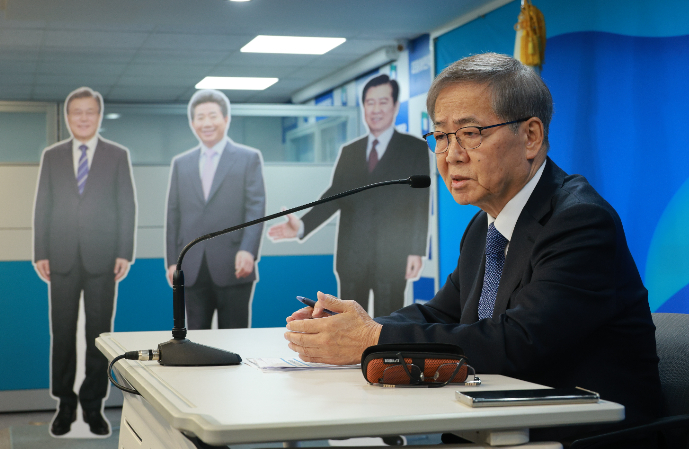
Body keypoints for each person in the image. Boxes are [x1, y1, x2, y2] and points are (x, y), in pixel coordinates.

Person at [284, 53, 662, 444]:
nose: (451, 156)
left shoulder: (579, 220)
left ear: (531, 136)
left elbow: (516, 343)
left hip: (575, 437)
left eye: (470, 133)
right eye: (442, 136)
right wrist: (348, 326)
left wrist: (371, 338)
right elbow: (439, 312)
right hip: (494, 427)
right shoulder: (485, 225)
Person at [268, 74, 430, 317]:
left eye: (383, 102)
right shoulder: (350, 152)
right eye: (370, 103)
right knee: (348, 323)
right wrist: (303, 225)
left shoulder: (414, 148)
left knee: (389, 323)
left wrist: (416, 250)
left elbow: (420, 203)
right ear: (363, 107)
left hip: (392, 254)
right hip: (351, 256)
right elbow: (334, 196)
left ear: (395, 106)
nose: (376, 109)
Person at [33, 87, 136, 437]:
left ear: (99, 115)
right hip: (59, 257)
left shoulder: (117, 155)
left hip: (103, 259)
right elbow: (42, 205)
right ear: (67, 116)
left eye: (89, 111)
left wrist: (125, 251)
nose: (82, 117)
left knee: (99, 335)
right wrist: (40, 251)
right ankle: (64, 404)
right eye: (76, 111)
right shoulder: (53, 156)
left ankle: (93, 405)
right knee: (61, 334)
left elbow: (126, 205)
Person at [165, 89, 265, 330]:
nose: (206, 123)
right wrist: (171, 261)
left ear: (226, 119)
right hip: (191, 266)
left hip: (234, 265)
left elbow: (256, 207)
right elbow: (173, 215)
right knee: (196, 340)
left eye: (212, 116)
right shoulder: (181, 163)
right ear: (192, 123)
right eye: (200, 117)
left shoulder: (248, 158)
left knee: (236, 340)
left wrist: (248, 251)